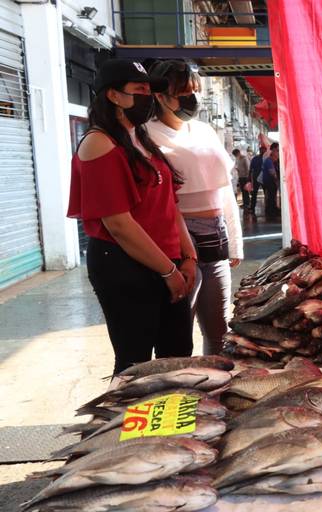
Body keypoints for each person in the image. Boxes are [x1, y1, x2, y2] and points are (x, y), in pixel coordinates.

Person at [67, 59, 196, 375]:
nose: (148, 98)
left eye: (150, 91)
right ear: (113, 96)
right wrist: (168, 271)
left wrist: (189, 257)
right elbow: (119, 224)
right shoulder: (99, 143)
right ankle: (123, 422)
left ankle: (171, 424)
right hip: (124, 264)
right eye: (139, 90)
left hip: (166, 260)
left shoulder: (141, 138)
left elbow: (168, 206)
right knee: (134, 361)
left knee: (177, 355)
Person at [147, 60, 244, 356]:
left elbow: (224, 190)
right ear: (161, 96)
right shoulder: (146, 135)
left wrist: (235, 244)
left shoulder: (204, 131)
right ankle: (181, 394)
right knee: (178, 333)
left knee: (218, 330)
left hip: (216, 239)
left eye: (195, 91)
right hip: (176, 242)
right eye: (184, 93)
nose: (193, 98)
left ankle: (211, 390)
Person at [261, 142, 281, 219]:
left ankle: (273, 210)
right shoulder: (269, 160)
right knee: (271, 197)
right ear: (273, 150)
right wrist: (278, 179)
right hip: (269, 182)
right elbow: (272, 173)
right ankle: (271, 212)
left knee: (273, 196)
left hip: (272, 182)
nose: (278, 153)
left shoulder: (274, 161)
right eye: (277, 150)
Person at [248, 144, 266, 215]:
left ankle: (267, 207)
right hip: (256, 178)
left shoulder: (266, 158)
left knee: (266, 193)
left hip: (264, 178)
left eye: (264, 150)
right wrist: (249, 177)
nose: (263, 151)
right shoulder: (255, 158)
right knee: (254, 193)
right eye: (262, 150)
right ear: (260, 150)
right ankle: (252, 207)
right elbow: (250, 169)